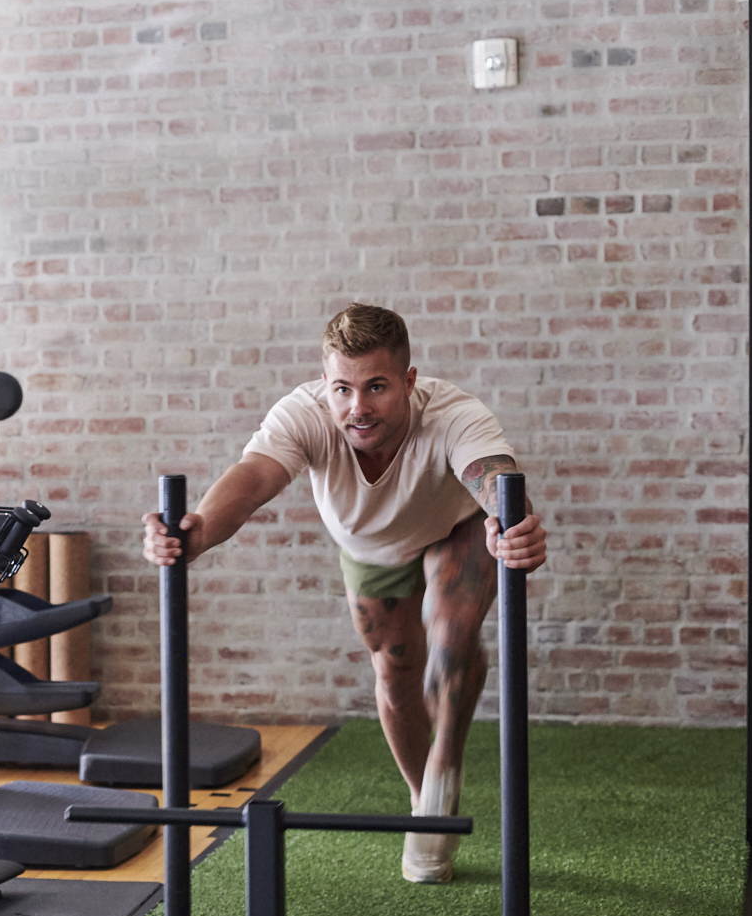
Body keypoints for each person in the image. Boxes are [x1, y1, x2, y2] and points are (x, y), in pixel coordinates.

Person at [141, 303, 547, 882]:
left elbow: (494, 476)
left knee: (451, 632)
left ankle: (444, 762)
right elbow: (254, 476)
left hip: (457, 528)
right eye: (343, 389)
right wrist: (199, 530)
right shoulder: (306, 414)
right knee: (394, 673)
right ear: (326, 384)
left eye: (377, 387)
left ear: (408, 382)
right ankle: (421, 799)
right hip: (372, 548)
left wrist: (516, 524)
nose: (358, 407)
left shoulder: (455, 413)